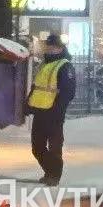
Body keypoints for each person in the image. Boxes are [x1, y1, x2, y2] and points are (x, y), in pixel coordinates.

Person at [26, 34, 76, 186]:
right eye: (48, 46)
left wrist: (57, 109)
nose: (50, 49)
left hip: (54, 113)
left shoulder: (64, 65)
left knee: (54, 147)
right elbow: (37, 87)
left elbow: (68, 92)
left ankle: (54, 175)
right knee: (37, 147)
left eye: (53, 47)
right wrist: (28, 105)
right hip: (40, 112)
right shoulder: (45, 64)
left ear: (60, 48)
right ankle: (50, 171)